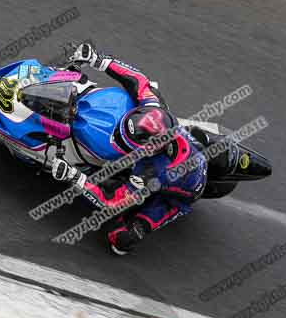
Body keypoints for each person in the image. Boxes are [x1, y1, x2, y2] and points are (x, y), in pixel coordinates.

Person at [51, 42, 208, 255]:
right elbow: (138, 80)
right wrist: (98, 60)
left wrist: (74, 176)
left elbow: (111, 201)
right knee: (199, 135)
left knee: (121, 240)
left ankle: (135, 231)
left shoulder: (149, 172)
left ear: (151, 149)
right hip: (193, 149)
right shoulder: (155, 110)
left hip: (176, 198)